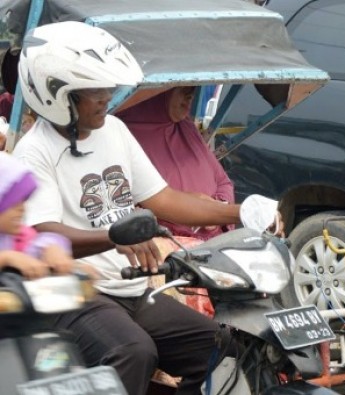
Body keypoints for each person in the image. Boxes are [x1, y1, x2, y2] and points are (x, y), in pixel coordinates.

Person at [13, 21, 281, 395]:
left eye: (108, 85)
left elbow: (165, 198)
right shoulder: (34, 152)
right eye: (95, 89)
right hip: (74, 293)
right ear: (57, 94)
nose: (108, 96)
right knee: (132, 353)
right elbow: (45, 235)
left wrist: (242, 212)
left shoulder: (115, 131)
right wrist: (112, 237)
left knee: (223, 349)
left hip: (133, 291)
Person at [116, 86, 235, 241]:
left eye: (192, 88)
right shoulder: (121, 135)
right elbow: (152, 204)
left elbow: (223, 182)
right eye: (182, 87)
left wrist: (217, 206)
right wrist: (202, 213)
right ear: (156, 94)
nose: (190, 95)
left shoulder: (185, 127)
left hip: (215, 244)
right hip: (169, 252)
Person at [0, 151, 74, 279]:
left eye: (23, 200)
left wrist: (51, 248)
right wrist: (5, 258)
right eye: (12, 202)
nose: (22, 209)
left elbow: (37, 242)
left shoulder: (15, 237)